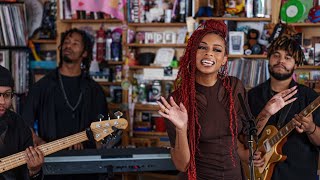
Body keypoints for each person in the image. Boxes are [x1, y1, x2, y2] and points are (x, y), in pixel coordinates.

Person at [156, 20, 297, 180]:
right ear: (192, 53)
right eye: (202, 47)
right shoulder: (178, 99)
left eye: (217, 50)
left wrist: (267, 111)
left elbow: (245, 137)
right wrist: (182, 128)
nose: (209, 53)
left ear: (224, 59)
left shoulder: (234, 86)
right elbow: (182, 165)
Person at [22, 28, 108, 179]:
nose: (69, 46)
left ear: (85, 53)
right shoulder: (43, 86)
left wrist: (87, 140)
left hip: (86, 166)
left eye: (75, 43)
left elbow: (104, 130)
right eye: (66, 42)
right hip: (50, 164)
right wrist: (38, 141)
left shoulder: (94, 90)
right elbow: (24, 123)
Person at [248, 35, 320, 180]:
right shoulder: (252, 95)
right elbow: (244, 139)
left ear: (296, 65)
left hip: (299, 175)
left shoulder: (310, 97)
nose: (281, 61)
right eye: (276, 55)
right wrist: (253, 153)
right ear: (268, 59)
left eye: (288, 57)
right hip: (259, 174)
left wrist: (311, 128)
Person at [0, 65, 44, 179]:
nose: (2, 101)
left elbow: (25, 175)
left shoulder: (19, 124)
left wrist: (34, 171)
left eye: (7, 95)